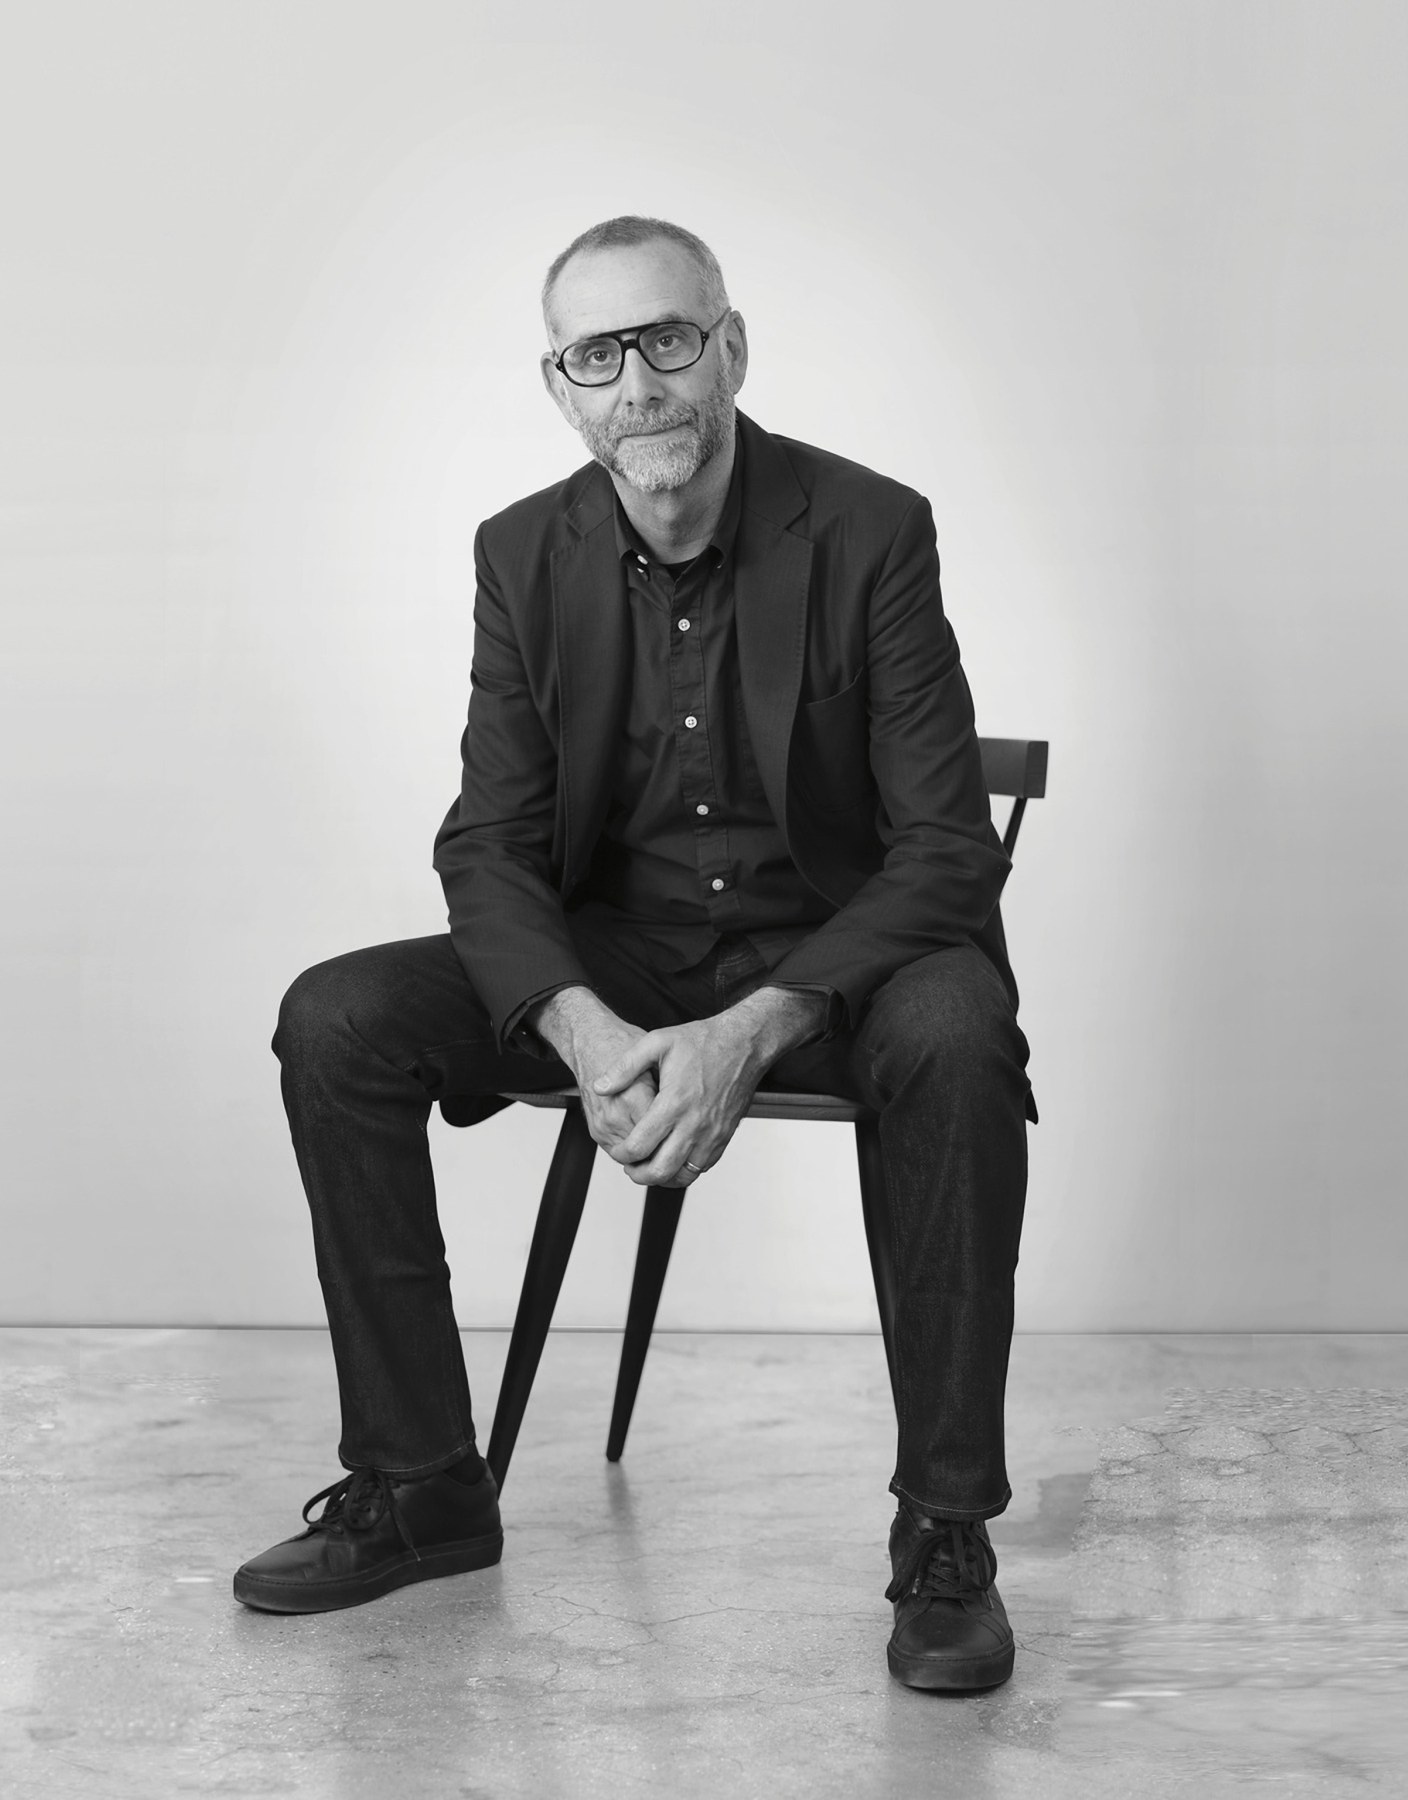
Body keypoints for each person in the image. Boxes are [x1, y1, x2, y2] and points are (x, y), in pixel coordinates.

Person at [229, 215, 1032, 1694]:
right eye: (598, 355)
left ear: (730, 347)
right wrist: (587, 1032)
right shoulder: (521, 555)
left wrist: (755, 1029)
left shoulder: (869, 528)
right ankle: (422, 1487)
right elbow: (490, 842)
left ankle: (943, 1534)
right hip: (622, 963)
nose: (641, 383)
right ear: (561, 386)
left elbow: (942, 849)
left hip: (836, 967)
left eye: (670, 339)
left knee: (961, 1031)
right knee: (336, 1019)